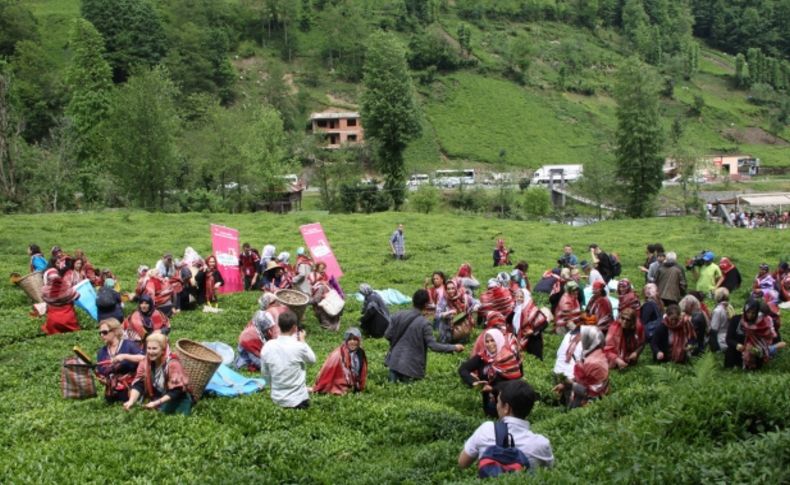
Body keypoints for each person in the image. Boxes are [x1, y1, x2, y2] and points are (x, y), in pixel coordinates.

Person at [458, 380, 554, 471]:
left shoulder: (486, 430)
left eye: (498, 401)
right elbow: (549, 473)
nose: (497, 405)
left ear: (506, 408)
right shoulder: (541, 444)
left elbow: (462, 463)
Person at [385, 289, 464, 383]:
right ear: (426, 304)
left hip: (394, 363)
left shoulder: (398, 314)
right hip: (411, 369)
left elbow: (387, 335)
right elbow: (434, 346)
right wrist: (454, 347)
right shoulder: (425, 323)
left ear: (413, 300)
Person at [124, 333, 193, 415]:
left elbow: (177, 390)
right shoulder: (145, 362)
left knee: (166, 414)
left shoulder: (172, 363)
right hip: (159, 395)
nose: (150, 352)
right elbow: (139, 383)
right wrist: (131, 401)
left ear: (163, 350)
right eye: (149, 348)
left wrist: (156, 402)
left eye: (154, 348)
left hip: (176, 397)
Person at [459, 328, 523, 417]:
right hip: (488, 405)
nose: (490, 344)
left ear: (498, 340)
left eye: (492, 340)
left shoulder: (508, 357)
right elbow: (463, 369)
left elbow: (514, 384)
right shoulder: (482, 357)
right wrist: (474, 382)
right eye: (487, 341)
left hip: (507, 407)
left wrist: (493, 389)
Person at [260, 310, 316, 409]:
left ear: (278, 325)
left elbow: (265, 373)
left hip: (276, 399)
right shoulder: (299, 346)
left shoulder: (268, 346)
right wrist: (303, 341)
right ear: (295, 328)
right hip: (298, 401)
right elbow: (312, 359)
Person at [553, 326, 609, 408]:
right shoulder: (588, 358)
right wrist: (565, 384)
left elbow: (592, 392)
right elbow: (581, 378)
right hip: (580, 397)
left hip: (590, 403)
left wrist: (571, 385)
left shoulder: (596, 363)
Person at [96, 319, 144, 403]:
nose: (102, 335)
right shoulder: (101, 352)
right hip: (111, 393)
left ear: (114, 331)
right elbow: (102, 373)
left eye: (105, 332)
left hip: (130, 388)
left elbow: (144, 358)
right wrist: (103, 380)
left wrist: (125, 356)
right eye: (100, 333)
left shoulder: (128, 345)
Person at [312, 328, 368, 395]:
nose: (352, 341)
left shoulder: (360, 352)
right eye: (350, 339)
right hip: (338, 382)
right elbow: (327, 371)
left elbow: (362, 370)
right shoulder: (338, 354)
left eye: (355, 339)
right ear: (346, 341)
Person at [235, 297, 282, 371]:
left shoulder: (259, 314)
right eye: (275, 302)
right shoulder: (266, 316)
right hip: (249, 345)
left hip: (247, 340)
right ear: (269, 304)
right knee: (267, 364)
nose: (278, 304)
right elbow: (274, 332)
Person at [736, 300, 785, 370]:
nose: (750, 315)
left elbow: (770, 333)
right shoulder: (743, 319)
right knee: (750, 352)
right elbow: (741, 330)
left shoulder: (764, 321)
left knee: (764, 350)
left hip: (762, 342)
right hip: (750, 341)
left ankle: (775, 348)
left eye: (753, 313)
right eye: (748, 312)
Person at [41, 259, 80, 335]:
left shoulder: (45, 291)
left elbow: (43, 297)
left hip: (53, 321)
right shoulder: (66, 288)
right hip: (68, 320)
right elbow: (77, 296)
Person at [436, 278, 478, 343]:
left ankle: (462, 339)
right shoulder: (444, 299)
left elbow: (477, 303)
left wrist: (475, 307)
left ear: (456, 288)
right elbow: (437, 314)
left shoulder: (464, 297)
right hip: (448, 327)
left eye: (453, 288)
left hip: (463, 327)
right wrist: (448, 313)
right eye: (448, 289)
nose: (450, 291)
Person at [308, 261, 342, 331]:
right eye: (321, 269)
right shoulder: (322, 282)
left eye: (324, 268)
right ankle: (334, 324)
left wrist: (305, 301)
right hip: (330, 302)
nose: (323, 270)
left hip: (325, 303)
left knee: (322, 313)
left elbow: (315, 300)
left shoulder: (320, 286)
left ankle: (329, 327)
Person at [709, 287, 732, 352]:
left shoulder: (717, 311)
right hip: (730, 339)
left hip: (721, 342)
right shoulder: (730, 307)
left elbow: (714, 328)